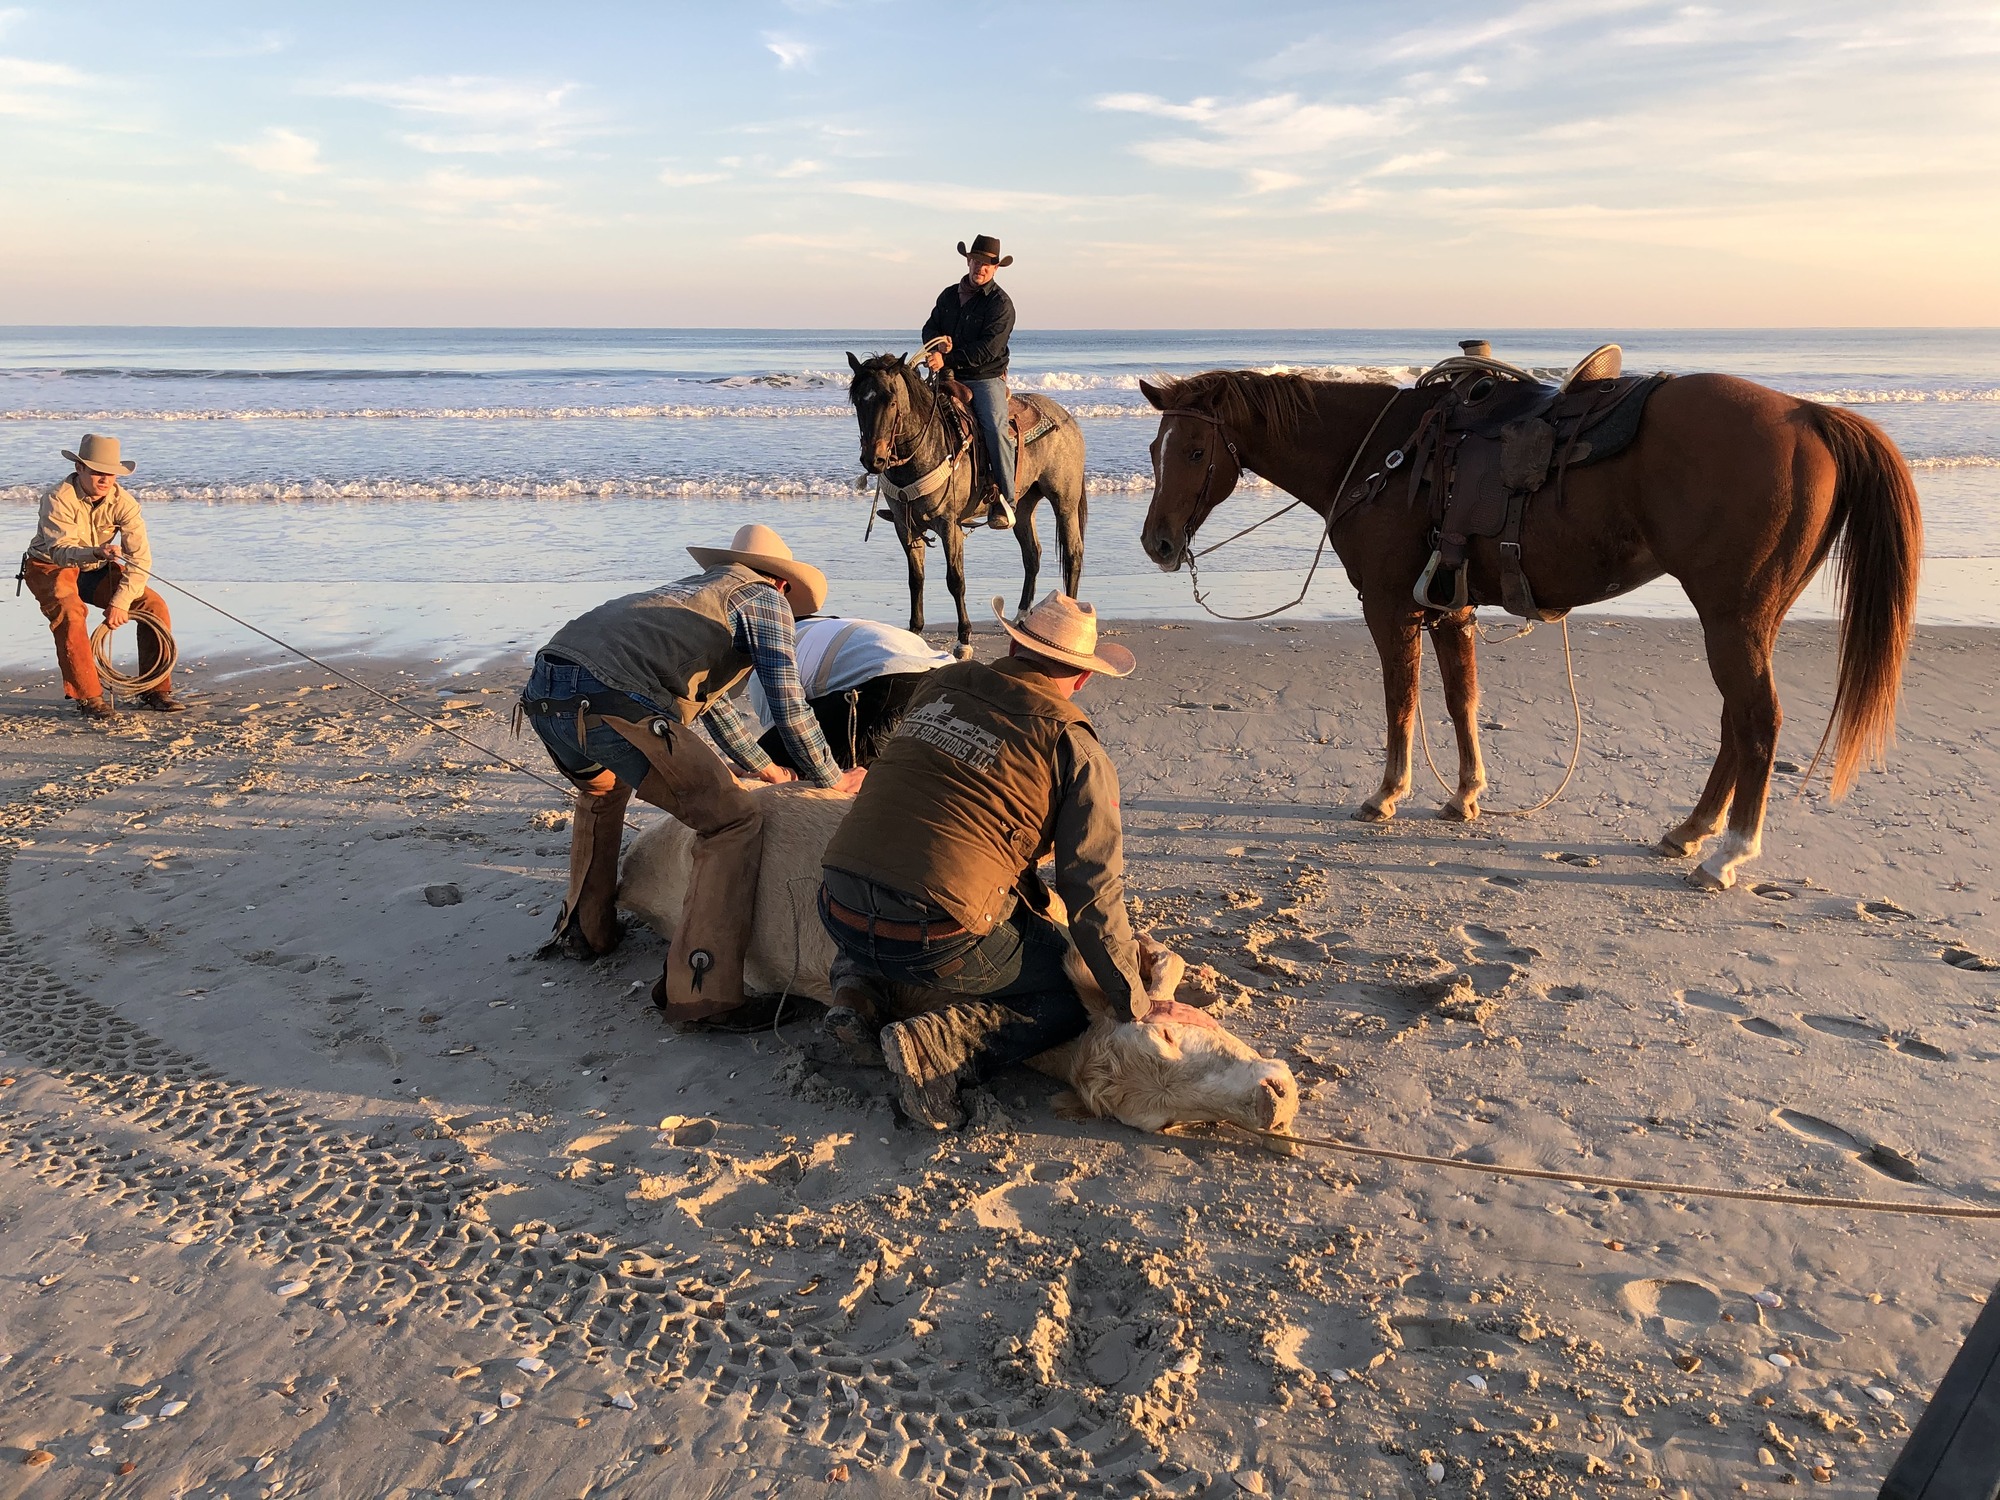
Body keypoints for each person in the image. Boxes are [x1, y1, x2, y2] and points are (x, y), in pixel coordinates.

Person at [817, 591, 1147, 1128]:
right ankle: (942, 1050)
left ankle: (852, 999)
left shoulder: (937, 684)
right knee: (1069, 991)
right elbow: (1092, 887)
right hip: (931, 930)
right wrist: (1128, 998)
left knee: (885, 869)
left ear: (1014, 642)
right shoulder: (1074, 745)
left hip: (836, 904)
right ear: (1084, 677)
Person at [521, 523, 865, 1026]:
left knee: (602, 793)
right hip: (610, 700)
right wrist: (832, 779)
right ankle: (702, 994)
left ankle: (586, 929)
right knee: (730, 821)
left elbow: (714, 707)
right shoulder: (765, 601)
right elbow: (790, 708)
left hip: (545, 694)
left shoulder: (689, 598)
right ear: (784, 585)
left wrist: (766, 768)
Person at [22, 434, 183, 719]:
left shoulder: (125, 502)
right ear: (80, 468)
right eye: (96, 471)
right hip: (50, 567)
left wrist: (121, 601)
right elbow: (60, 551)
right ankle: (89, 698)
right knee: (71, 613)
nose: (105, 478)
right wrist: (96, 552)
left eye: (110, 473)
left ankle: (155, 690)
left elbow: (140, 560)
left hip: (98, 568)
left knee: (152, 606)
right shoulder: (57, 497)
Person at [749, 616, 952, 771]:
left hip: (885, 686)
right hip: (944, 681)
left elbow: (786, 725)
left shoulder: (769, 655)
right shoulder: (835, 625)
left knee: (763, 762)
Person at [921, 234, 1018, 531]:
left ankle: (1005, 500)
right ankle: (912, 494)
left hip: (984, 377)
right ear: (968, 261)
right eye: (977, 261)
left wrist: (948, 359)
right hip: (948, 373)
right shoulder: (948, 295)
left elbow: (988, 349)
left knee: (993, 426)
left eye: (988, 264)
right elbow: (930, 327)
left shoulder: (1001, 304)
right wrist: (936, 346)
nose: (981, 268)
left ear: (996, 268)